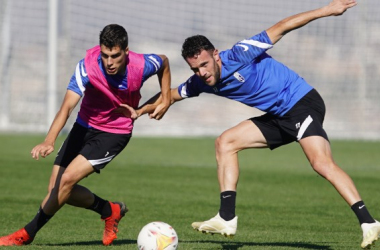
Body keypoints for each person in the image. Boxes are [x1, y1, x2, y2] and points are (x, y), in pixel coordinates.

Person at [142, 0, 380, 248]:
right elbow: (169, 95)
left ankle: (368, 222)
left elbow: (283, 26)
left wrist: (327, 10)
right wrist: (137, 112)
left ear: (215, 55)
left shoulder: (240, 53)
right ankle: (226, 217)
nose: (201, 72)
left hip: (301, 103)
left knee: (320, 163)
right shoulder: (201, 82)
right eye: (195, 68)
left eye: (204, 64)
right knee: (225, 142)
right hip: (279, 116)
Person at [0, 24, 171, 246]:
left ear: (126, 52)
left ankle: (26, 234)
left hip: (114, 132)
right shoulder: (87, 68)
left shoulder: (142, 65)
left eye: (115, 56)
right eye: (105, 55)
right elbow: (67, 107)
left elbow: (164, 61)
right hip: (83, 127)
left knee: (67, 180)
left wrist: (166, 97)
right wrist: (49, 140)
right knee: (56, 189)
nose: (109, 62)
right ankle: (110, 210)